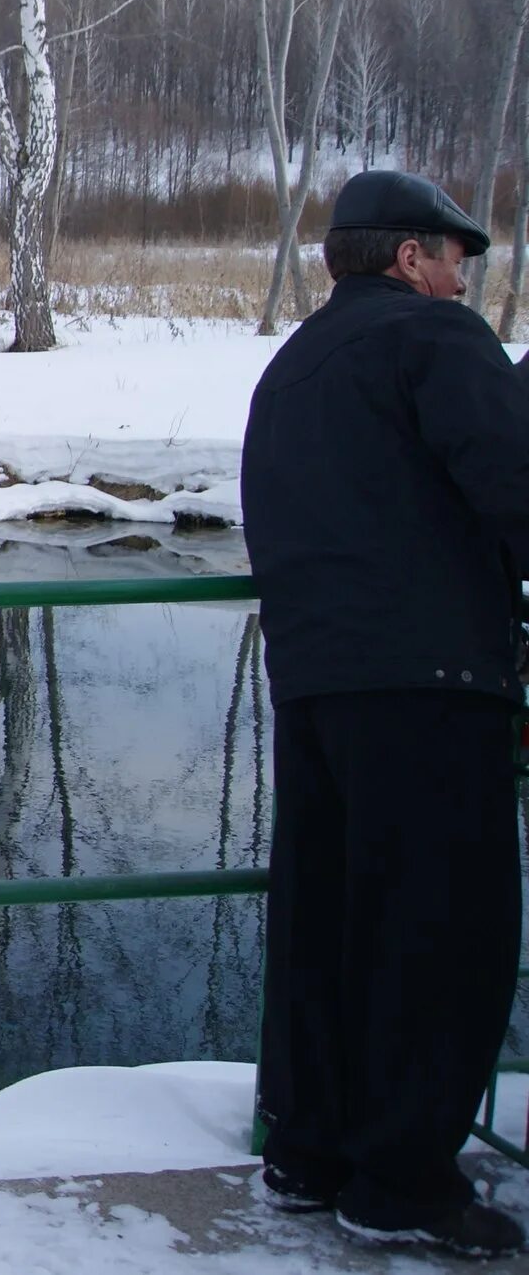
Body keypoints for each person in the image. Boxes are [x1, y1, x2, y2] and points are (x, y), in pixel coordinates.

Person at [241, 169, 529, 1259]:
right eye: (459, 258)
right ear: (410, 258)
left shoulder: (292, 365)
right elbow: (514, 485)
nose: (464, 278)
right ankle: (401, 1182)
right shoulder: (437, 342)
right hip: (431, 685)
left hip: (315, 689)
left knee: (327, 924)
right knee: (438, 937)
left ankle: (310, 1152)